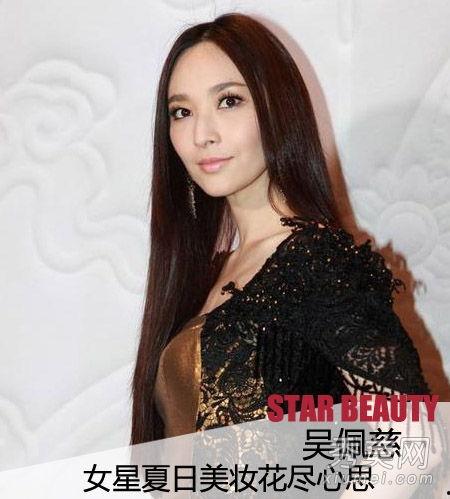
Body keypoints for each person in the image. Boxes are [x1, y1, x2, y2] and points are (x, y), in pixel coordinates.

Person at [130, 12, 431, 445]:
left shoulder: (316, 262)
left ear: (276, 106)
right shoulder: (201, 273)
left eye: (228, 101)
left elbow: (411, 440)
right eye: (181, 111)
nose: (202, 134)